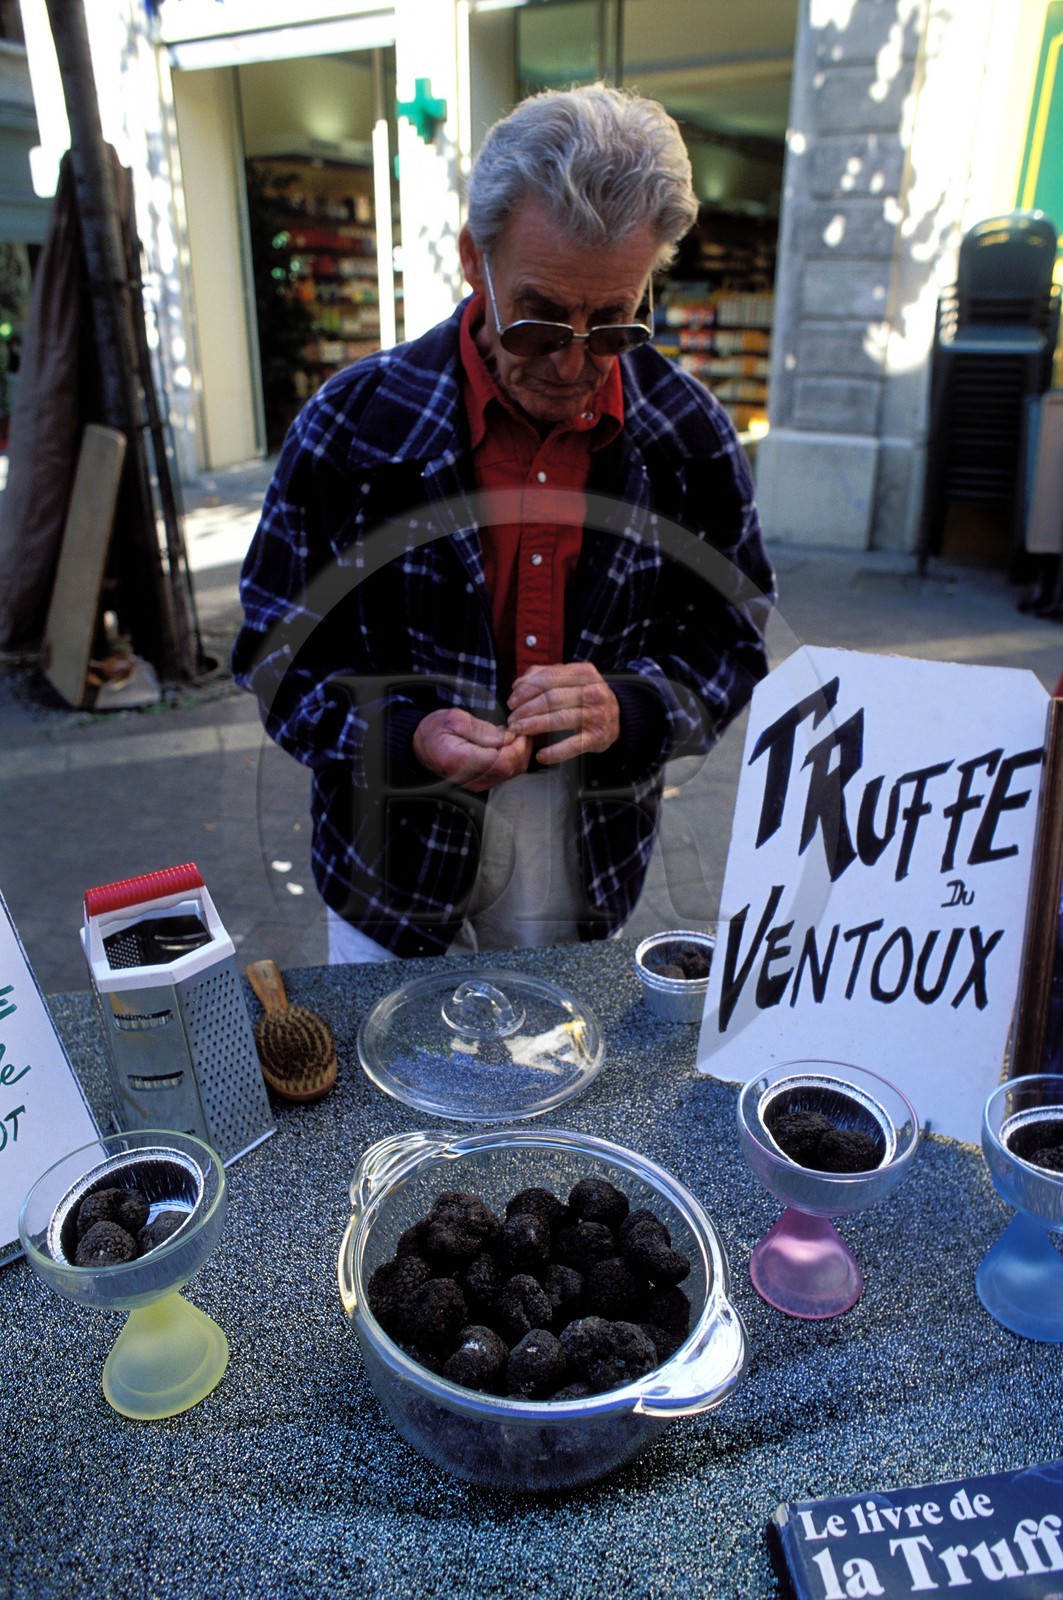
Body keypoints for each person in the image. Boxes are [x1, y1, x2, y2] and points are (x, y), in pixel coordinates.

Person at [233, 83, 775, 964]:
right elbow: (271, 647)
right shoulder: (352, 423)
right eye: (539, 319)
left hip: (583, 843)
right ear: (471, 258)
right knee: (384, 1086)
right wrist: (403, 736)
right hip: (388, 838)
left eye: (614, 325)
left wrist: (632, 709)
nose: (572, 364)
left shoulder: (687, 432)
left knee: (551, 1082)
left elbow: (732, 632)